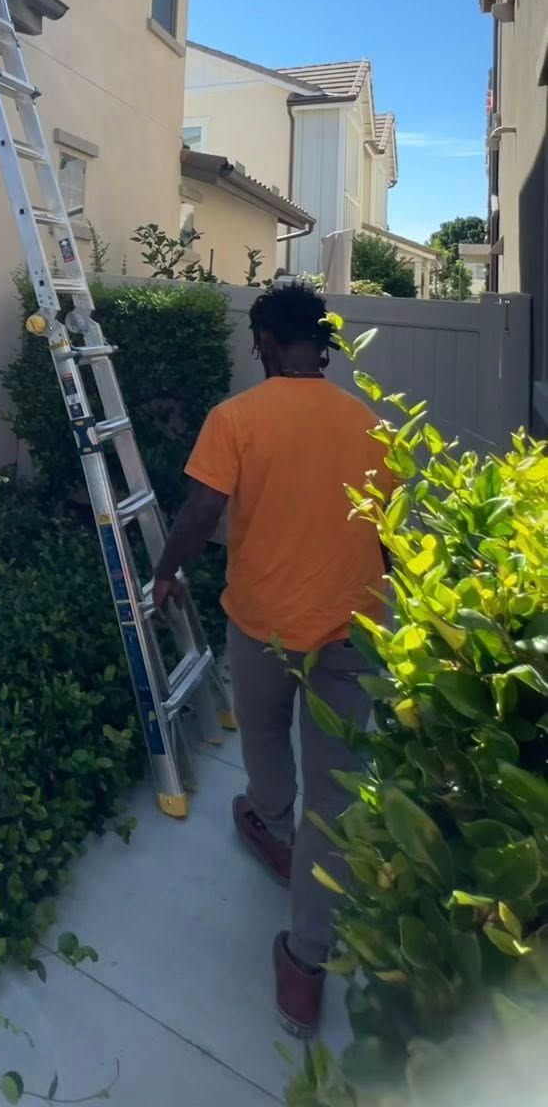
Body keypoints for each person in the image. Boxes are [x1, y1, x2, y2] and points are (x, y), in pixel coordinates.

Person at [150, 280, 390, 1037]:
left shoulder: (237, 419)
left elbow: (200, 511)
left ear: (262, 341)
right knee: (338, 793)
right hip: (353, 630)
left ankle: (272, 822)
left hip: (262, 627)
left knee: (262, 733)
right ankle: (306, 965)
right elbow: (386, 533)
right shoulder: (367, 422)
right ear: (320, 345)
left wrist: (165, 571)